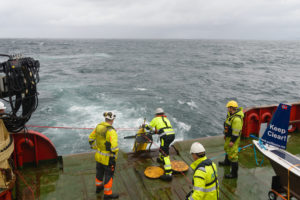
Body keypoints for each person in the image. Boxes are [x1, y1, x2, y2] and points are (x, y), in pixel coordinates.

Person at [89, 111, 119, 199]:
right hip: (108, 158)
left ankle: (98, 188)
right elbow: (114, 148)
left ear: (105, 118)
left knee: (99, 172)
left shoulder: (98, 126)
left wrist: (96, 148)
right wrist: (113, 156)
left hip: (98, 156)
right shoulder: (111, 131)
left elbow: (91, 139)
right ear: (112, 119)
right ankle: (108, 194)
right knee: (109, 175)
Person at [144, 108, 175, 181]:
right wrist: (156, 132)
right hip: (172, 135)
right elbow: (164, 128)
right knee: (163, 147)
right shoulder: (166, 119)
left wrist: (144, 126)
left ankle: (169, 174)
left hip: (165, 136)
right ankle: (161, 159)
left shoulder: (156, 119)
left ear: (156, 114)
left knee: (165, 153)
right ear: (163, 114)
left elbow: (149, 128)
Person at [218, 100, 244, 179]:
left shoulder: (237, 120)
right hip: (228, 136)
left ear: (231, 108)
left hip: (233, 138)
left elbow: (236, 132)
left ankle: (234, 174)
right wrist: (226, 135)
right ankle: (226, 162)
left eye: (228, 107)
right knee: (227, 149)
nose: (227, 109)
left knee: (233, 155)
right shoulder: (230, 115)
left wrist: (232, 141)